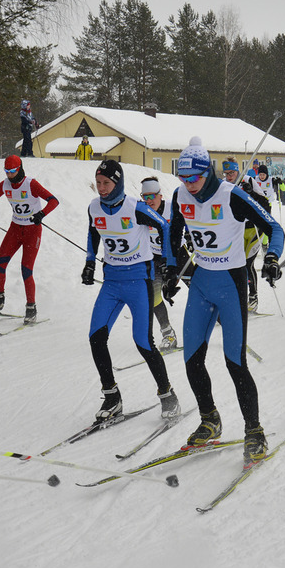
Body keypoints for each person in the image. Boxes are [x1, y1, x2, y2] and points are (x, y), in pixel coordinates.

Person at [164, 137, 285, 462]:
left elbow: (274, 227)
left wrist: (271, 258)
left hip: (231, 284)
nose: (188, 184)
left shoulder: (231, 195)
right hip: (202, 283)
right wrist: (171, 268)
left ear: (208, 171)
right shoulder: (180, 195)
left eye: (194, 178)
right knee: (192, 360)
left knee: (235, 363)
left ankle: (254, 431)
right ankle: (210, 420)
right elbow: (171, 231)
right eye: (183, 178)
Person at [80, 161, 180, 423]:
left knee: (143, 342)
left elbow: (166, 226)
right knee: (96, 337)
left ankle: (167, 393)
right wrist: (90, 262)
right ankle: (112, 397)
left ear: (118, 183)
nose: (101, 188)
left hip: (139, 281)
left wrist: (170, 266)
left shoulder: (135, 207)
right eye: (98, 182)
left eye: (107, 183)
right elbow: (93, 232)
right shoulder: (93, 207)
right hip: (112, 282)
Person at [0, 155, 59, 323]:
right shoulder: (5, 184)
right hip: (15, 229)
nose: (9, 175)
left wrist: (41, 214)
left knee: (26, 269)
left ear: (20, 168)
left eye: (12, 171)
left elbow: (53, 201)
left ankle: (31, 307)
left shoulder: (31, 184)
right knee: (0, 264)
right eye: (7, 172)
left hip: (32, 231)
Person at [139, 177, 179, 349]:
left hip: (178, 255)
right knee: (153, 297)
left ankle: (227, 328)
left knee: (200, 290)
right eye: (145, 196)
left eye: (152, 196)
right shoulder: (141, 212)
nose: (149, 201)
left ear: (160, 195)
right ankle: (168, 334)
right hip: (155, 258)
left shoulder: (172, 208)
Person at [223, 157, 266, 310]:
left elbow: (265, 203)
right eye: (226, 173)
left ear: (238, 171)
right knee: (236, 265)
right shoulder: (223, 186)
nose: (229, 176)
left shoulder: (248, 180)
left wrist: (251, 194)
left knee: (248, 264)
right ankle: (238, 297)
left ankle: (253, 297)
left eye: (232, 173)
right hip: (237, 231)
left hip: (255, 229)